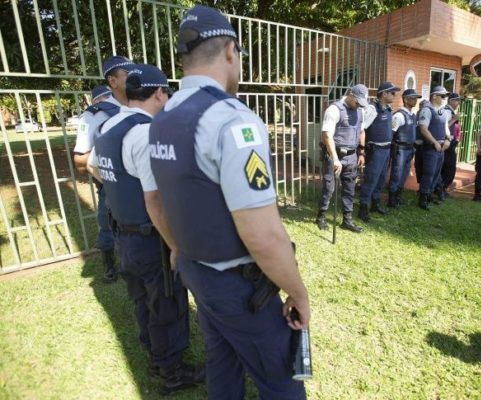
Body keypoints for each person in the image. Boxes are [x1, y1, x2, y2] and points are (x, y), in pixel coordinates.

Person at [148, 5, 310, 399]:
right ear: (230, 53)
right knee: (280, 381)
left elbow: (155, 200)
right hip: (239, 289)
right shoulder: (233, 120)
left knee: (223, 366)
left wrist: (177, 250)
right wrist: (299, 294)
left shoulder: (160, 119)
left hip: (195, 272)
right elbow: (263, 235)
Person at [89, 64, 203, 395]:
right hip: (150, 238)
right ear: (158, 94)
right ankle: (172, 371)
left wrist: (122, 192)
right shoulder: (147, 132)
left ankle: (154, 355)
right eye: (166, 93)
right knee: (167, 302)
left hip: (124, 234)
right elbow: (155, 200)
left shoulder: (110, 123)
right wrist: (176, 246)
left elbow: (96, 168)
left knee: (142, 299)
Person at [73, 55, 135, 282]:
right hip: (113, 184)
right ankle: (109, 263)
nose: (134, 78)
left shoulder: (141, 105)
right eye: (127, 74)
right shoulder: (95, 115)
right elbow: (81, 160)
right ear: (113, 80)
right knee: (108, 223)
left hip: (141, 182)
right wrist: (109, 170)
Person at [315, 84, 367, 232]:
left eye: (361, 104)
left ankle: (347, 220)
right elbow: (327, 136)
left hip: (351, 156)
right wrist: (335, 158)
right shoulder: (334, 109)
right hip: (334, 155)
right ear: (351, 94)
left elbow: (361, 131)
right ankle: (321, 216)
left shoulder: (360, 111)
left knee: (350, 188)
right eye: (357, 102)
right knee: (329, 188)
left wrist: (361, 152)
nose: (358, 106)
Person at [358, 81, 399, 222]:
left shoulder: (388, 108)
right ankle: (363, 207)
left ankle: (375, 203)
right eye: (392, 93)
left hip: (386, 150)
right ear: (384, 94)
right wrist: (362, 150)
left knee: (381, 179)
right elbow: (361, 128)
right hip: (375, 150)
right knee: (371, 179)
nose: (395, 95)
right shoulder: (372, 109)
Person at [417, 86, 451, 210]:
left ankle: (429, 194)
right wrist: (434, 142)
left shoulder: (443, 112)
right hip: (430, 147)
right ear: (434, 96)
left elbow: (446, 128)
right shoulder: (427, 110)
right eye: (442, 96)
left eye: (445, 96)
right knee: (429, 173)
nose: (445, 98)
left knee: (436, 173)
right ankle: (423, 198)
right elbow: (423, 129)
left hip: (441, 147)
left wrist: (448, 140)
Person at [388, 88, 421, 207]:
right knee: (397, 173)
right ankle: (391, 200)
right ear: (406, 100)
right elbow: (391, 132)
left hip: (409, 149)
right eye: (413, 98)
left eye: (416, 98)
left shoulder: (412, 115)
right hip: (400, 149)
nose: (415, 101)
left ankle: (398, 196)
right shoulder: (399, 116)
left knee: (404, 173)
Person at [438, 92, 462, 198]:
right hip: (446, 142)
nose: (458, 103)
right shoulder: (447, 112)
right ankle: (441, 188)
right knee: (448, 167)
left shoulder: (451, 111)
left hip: (451, 142)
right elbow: (444, 127)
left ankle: (442, 188)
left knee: (448, 167)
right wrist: (454, 119)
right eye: (457, 100)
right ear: (451, 100)